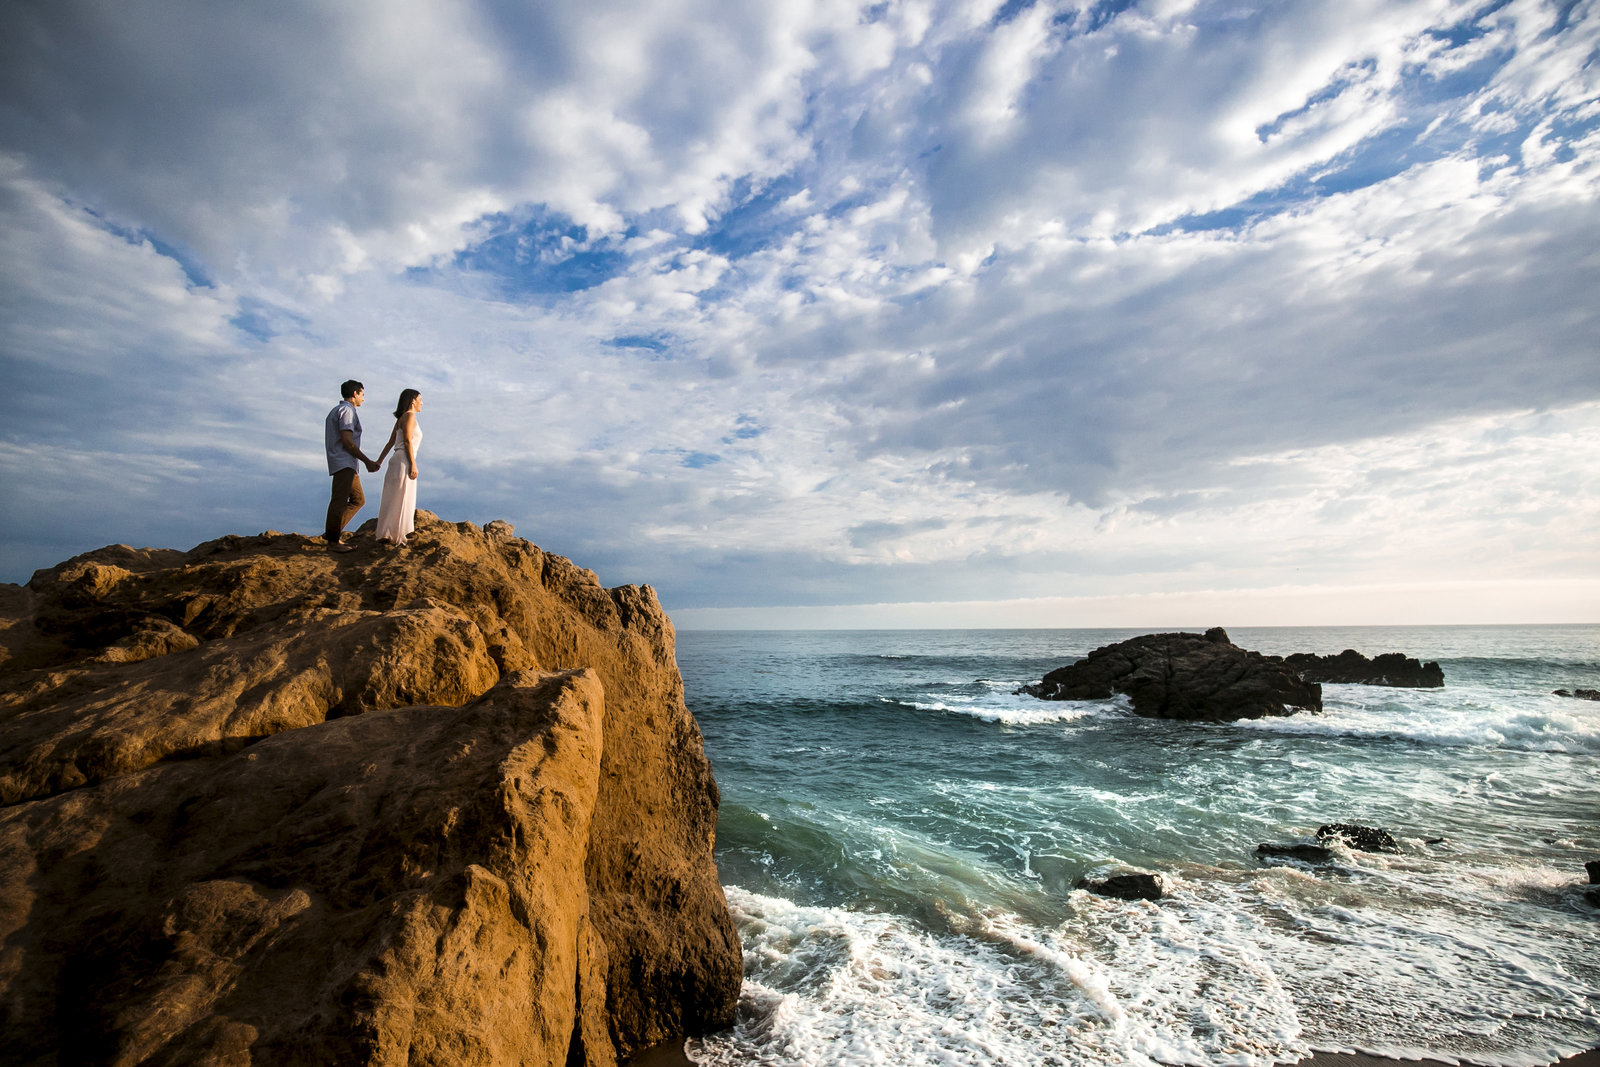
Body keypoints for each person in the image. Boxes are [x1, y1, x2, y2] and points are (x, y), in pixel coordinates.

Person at [323, 379, 381, 552]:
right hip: (344, 461)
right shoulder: (347, 411)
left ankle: (332, 532)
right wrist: (367, 461)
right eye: (362, 394)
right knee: (339, 501)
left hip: (346, 463)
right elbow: (347, 442)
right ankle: (333, 542)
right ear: (355, 393)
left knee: (358, 499)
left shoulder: (337, 410)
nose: (363, 398)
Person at [373, 388, 424, 546]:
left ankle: (388, 532)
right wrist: (413, 464)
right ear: (413, 400)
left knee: (394, 495)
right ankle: (399, 534)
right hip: (404, 459)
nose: (421, 403)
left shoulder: (401, 418)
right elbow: (408, 440)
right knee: (403, 496)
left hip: (396, 458)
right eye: (420, 399)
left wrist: (379, 461)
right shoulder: (409, 416)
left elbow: (390, 443)